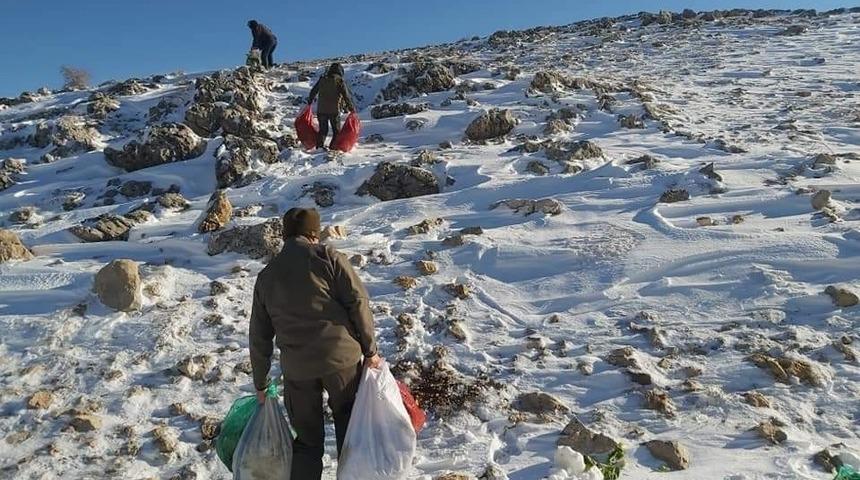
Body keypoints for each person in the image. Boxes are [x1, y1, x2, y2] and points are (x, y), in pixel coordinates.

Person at [249, 207, 381, 480]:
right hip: (341, 362)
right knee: (350, 434)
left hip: (298, 369)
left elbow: (259, 335)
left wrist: (261, 383)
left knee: (307, 443)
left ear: (285, 235)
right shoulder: (328, 257)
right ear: (313, 233)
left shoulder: (267, 275)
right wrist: (370, 351)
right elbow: (358, 303)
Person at [307, 63, 356, 149]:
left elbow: (313, 91)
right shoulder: (339, 80)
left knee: (323, 131)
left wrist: (309, 102)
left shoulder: (322, 79)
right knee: (336, 132)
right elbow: (346, 96)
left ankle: (319, 148)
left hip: (321, 110)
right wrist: (351, 109)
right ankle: (332, 148)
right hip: (334, 111)